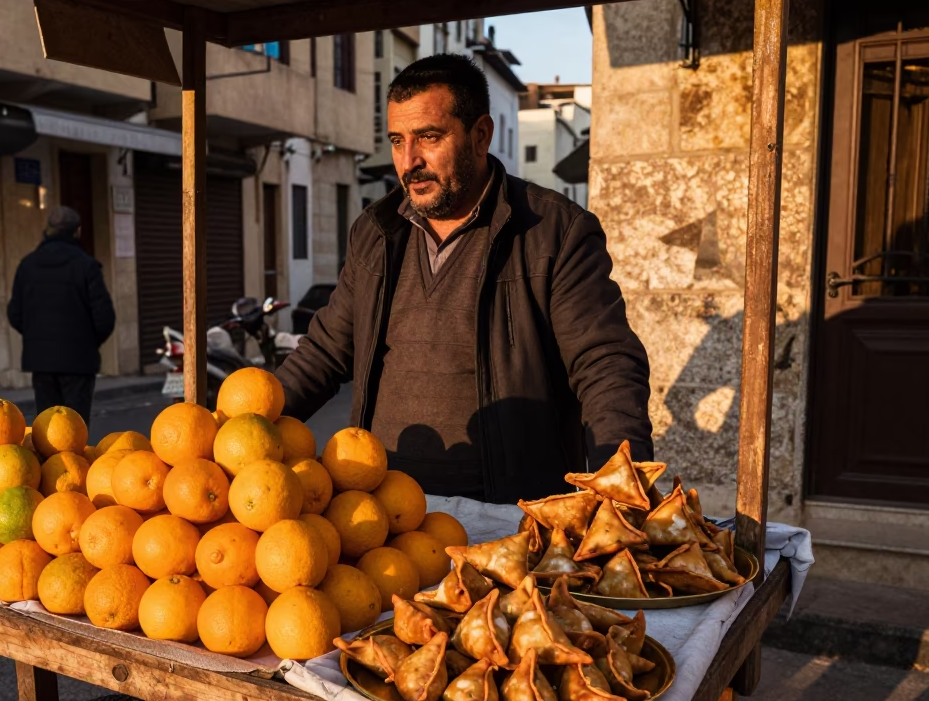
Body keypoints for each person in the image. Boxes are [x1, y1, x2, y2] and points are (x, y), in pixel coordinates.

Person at [278, 54, 653, 506]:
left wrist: (622, 479)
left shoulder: (554, 231)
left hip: (508, 519)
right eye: (398, 141)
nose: (409, 161)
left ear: (480, 136)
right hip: (383, 516)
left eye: (428, 138)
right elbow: (323, 354)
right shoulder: (377, 231)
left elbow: (604, 364)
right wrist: (246, 426)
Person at [7, 206, 116, 424]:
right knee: (74, 428)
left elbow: (14, 313)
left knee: (47, 428)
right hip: (79, 361)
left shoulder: (27, 265)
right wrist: (87, 342)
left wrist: (37, 336)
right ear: (77, 232)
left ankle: (50, 459)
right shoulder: (86, 266)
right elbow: (105, 318)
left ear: (47, 230)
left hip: (41, 361)